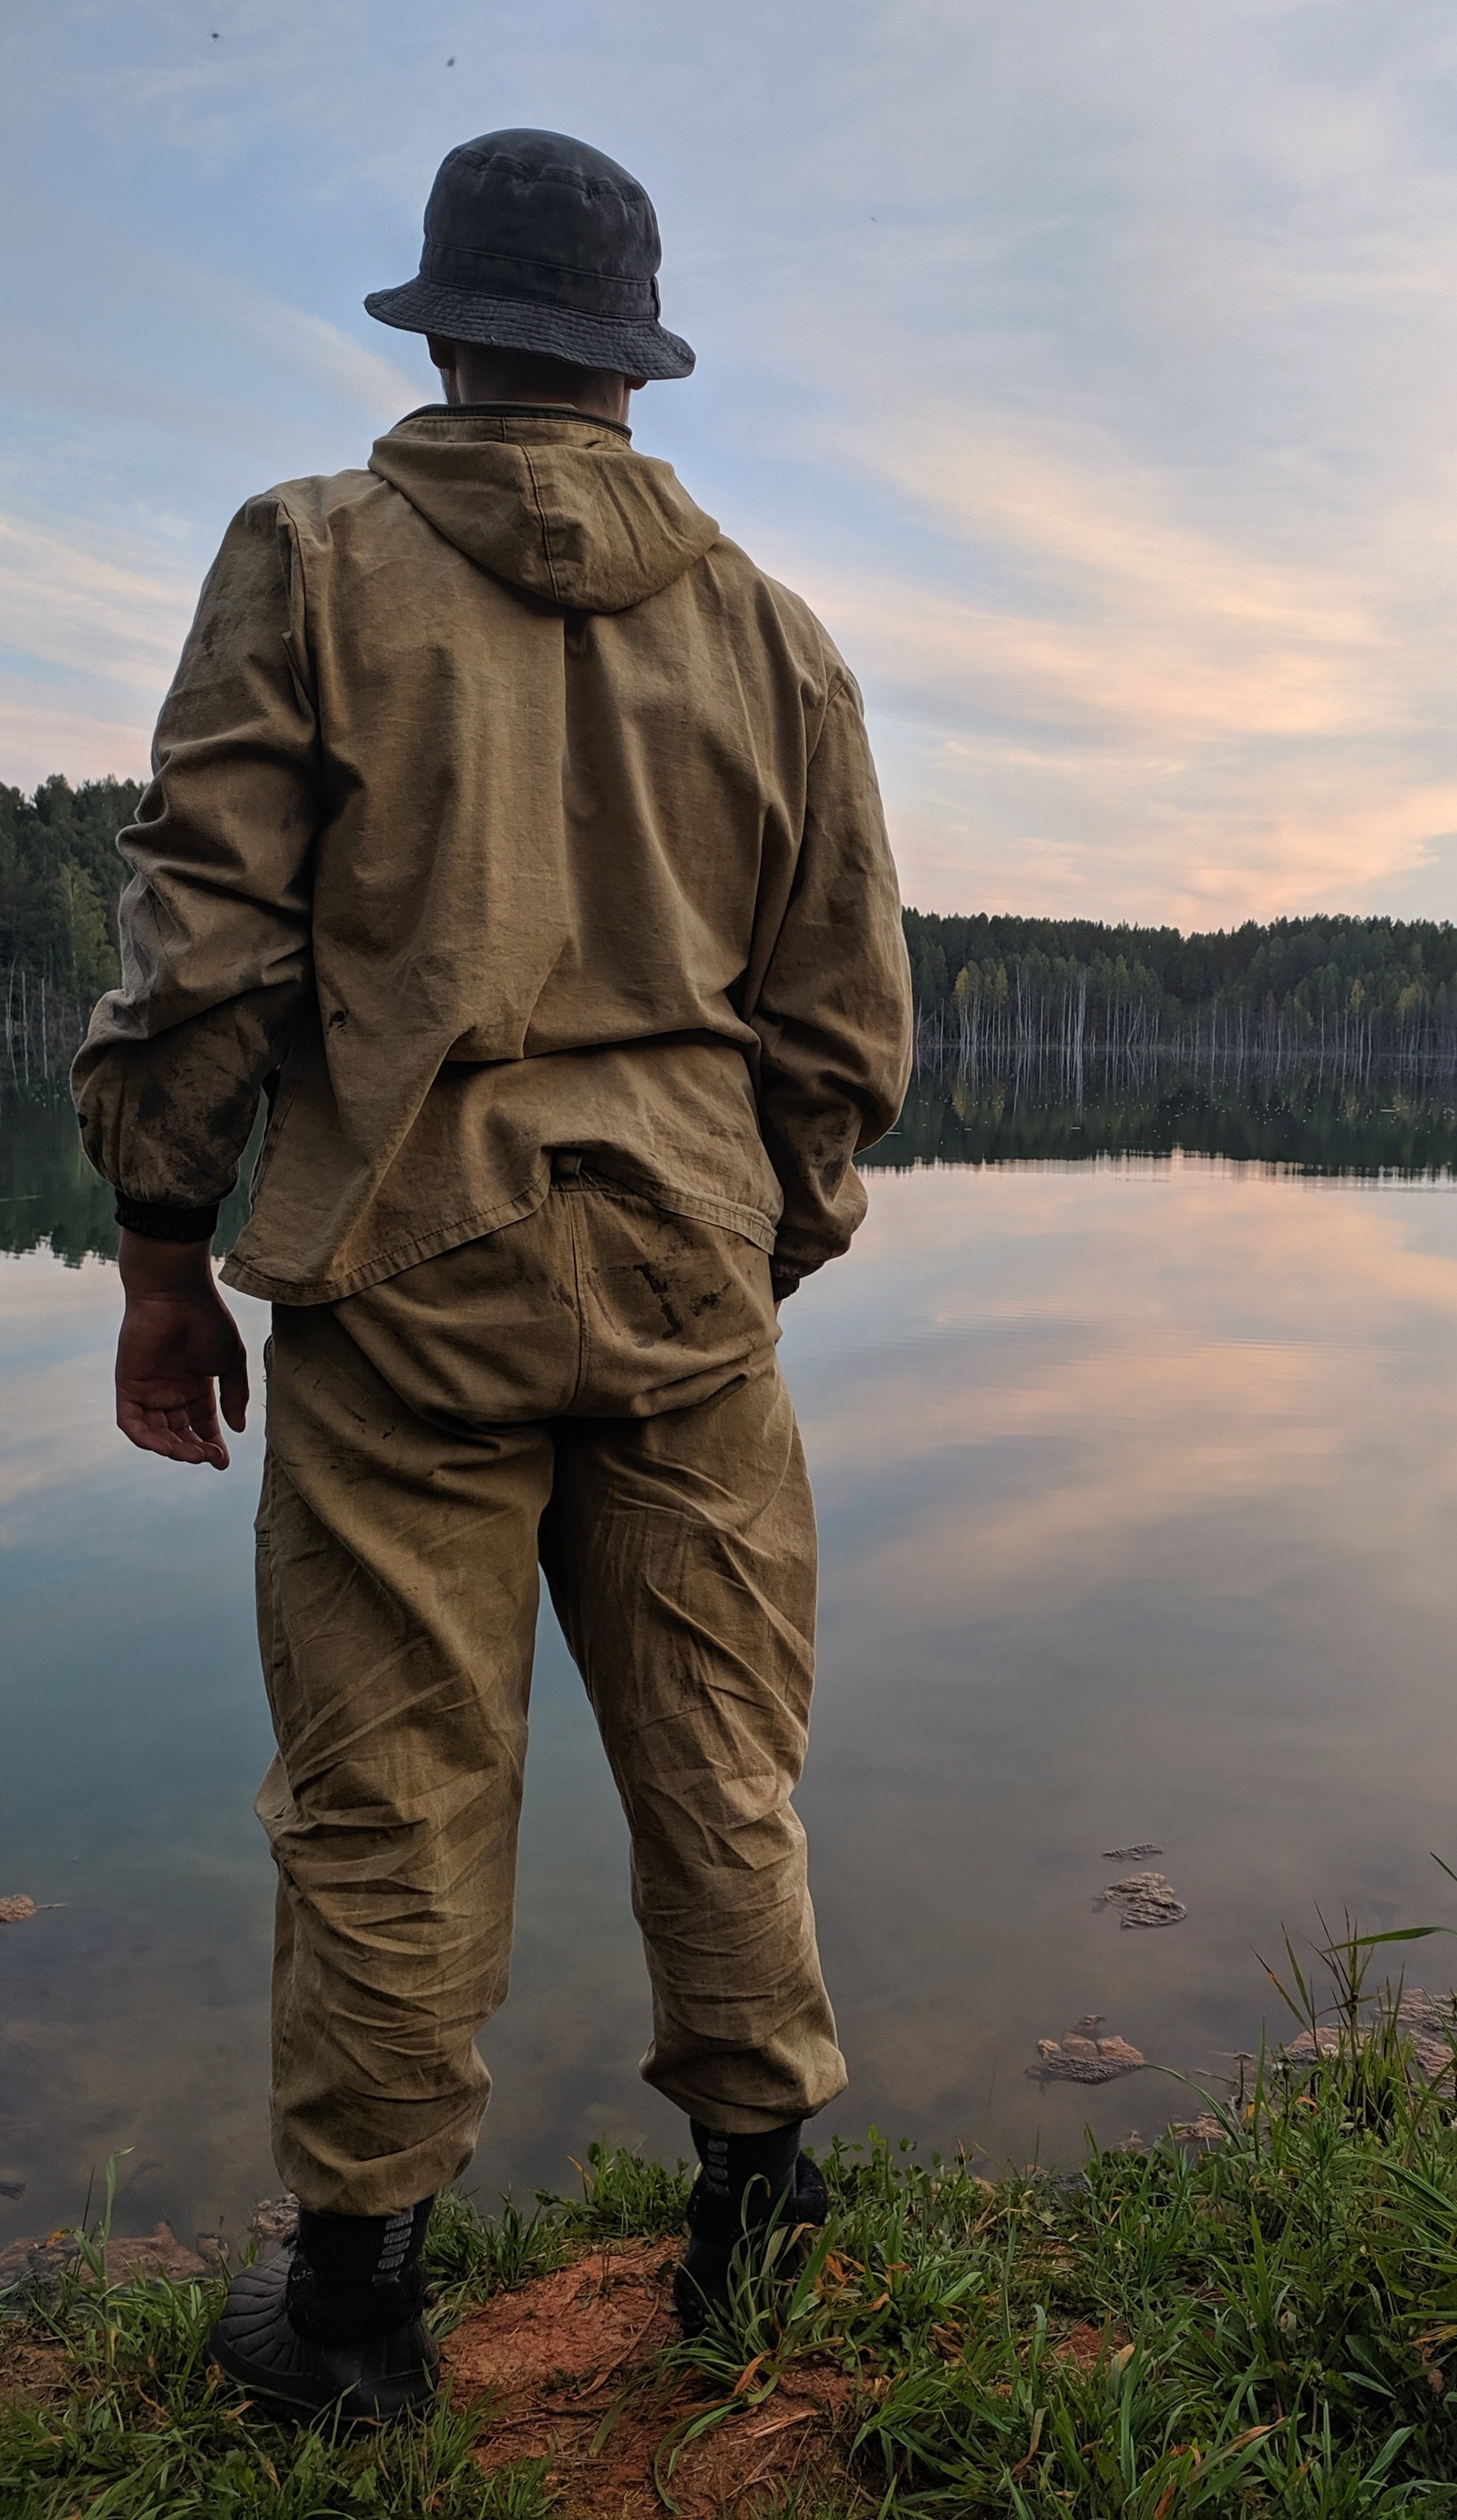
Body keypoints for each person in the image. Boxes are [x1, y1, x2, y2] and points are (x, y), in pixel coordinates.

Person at [71, 128, 913, 2421]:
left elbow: (205, 940)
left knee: (388, 1790)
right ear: (629, 363)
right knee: (723, 1760)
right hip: (684, 1276)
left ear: (443, 328)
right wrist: (764, 1237)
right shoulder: (769, 622)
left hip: (396, 1276)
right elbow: (842, 1018)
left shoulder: (313, 558)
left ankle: (350, 2317)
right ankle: (756, 2211)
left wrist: (164, 1249)